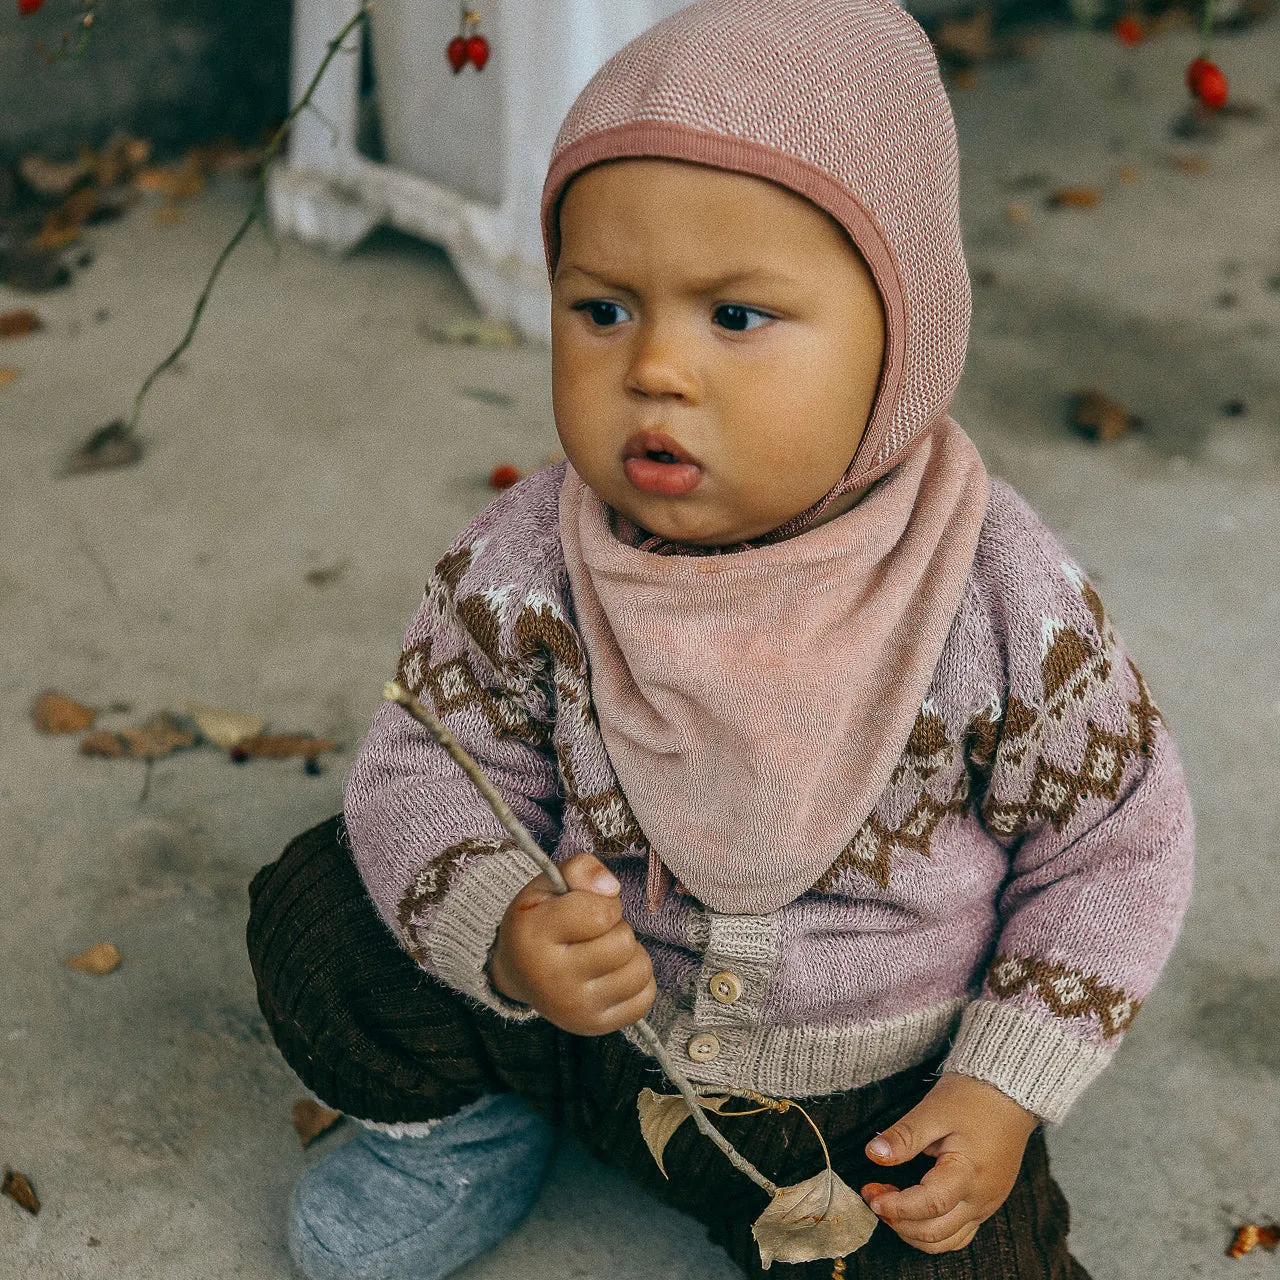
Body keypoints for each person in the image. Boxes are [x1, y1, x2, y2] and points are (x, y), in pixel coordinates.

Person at [247, 2, 1195, 1277]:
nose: (654, 370)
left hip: (857, 1110)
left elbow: (1113, 848)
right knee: (321, 909)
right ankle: (464, 1130)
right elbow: (425, 760)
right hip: (581, 1032)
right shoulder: (530, 564)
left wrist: (1001, 1087)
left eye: (734, 318)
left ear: (899, 337)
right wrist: (510, 933)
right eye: (601, 309)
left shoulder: (994, 598)